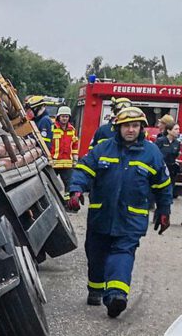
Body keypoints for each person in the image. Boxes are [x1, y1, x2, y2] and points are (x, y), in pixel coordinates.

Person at [66, 106, 171, 317]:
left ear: (141, 128)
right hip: (101, 215)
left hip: (131, 218)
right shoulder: (103, 149)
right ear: (118, 128)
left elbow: (163, 185)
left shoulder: (152, 153)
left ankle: (116, 296)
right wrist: (76, 190)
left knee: (122, 253)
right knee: (96, 253)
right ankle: (95, 289)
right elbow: (83, 169)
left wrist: (164, 210)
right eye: (126, 126)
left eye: (135, 126)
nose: (130, 130)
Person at [47, 105, 78, 185]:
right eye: (63, 116)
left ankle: (68, 198)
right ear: (58, 117)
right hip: (54, 162)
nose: (64, 118)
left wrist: (75, 159)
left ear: (69, 118)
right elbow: (47, 144)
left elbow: (75, 145)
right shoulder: (52, 128)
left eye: (66, 116)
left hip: (67, 163)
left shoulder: (72, 130)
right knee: (51, 184)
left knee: (70, 184)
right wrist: (48, 158)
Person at [159, 121, 182, 198]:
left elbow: (176, 155)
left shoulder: (177, 143)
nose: (178, 131)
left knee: (169, 190)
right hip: (161, 168)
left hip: (171, 170)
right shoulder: (160, 141)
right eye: (175, 129)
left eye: (178, 129)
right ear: (169, 130)